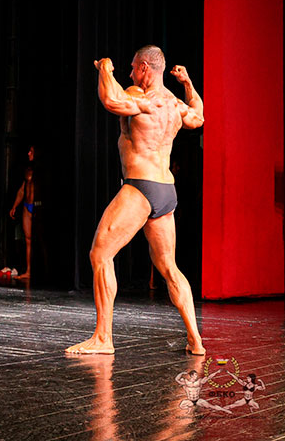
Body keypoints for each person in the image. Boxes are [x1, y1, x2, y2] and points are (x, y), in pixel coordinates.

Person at [65, 45, 205, 355]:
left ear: (144, 68)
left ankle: (103, 338)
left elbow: (111, 100)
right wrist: (187, 83)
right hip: (166, 191)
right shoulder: (174, 104)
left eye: (132, 68)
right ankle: (196, 340)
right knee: (169, 267)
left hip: (141, 186)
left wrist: (105, 68)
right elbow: (198, 117)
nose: (129, 74)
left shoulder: (142, 98)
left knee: (100, 254)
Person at [9, 147, 37, 280]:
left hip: (36, 206)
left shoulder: (40, 170)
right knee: (28, 240)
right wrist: (14, 206)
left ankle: (43, 272)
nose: (28, 153)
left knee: (40, 241)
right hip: (26, 206)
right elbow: (22, 190)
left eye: (31, 151)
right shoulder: (27, 170)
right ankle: (28, 271)